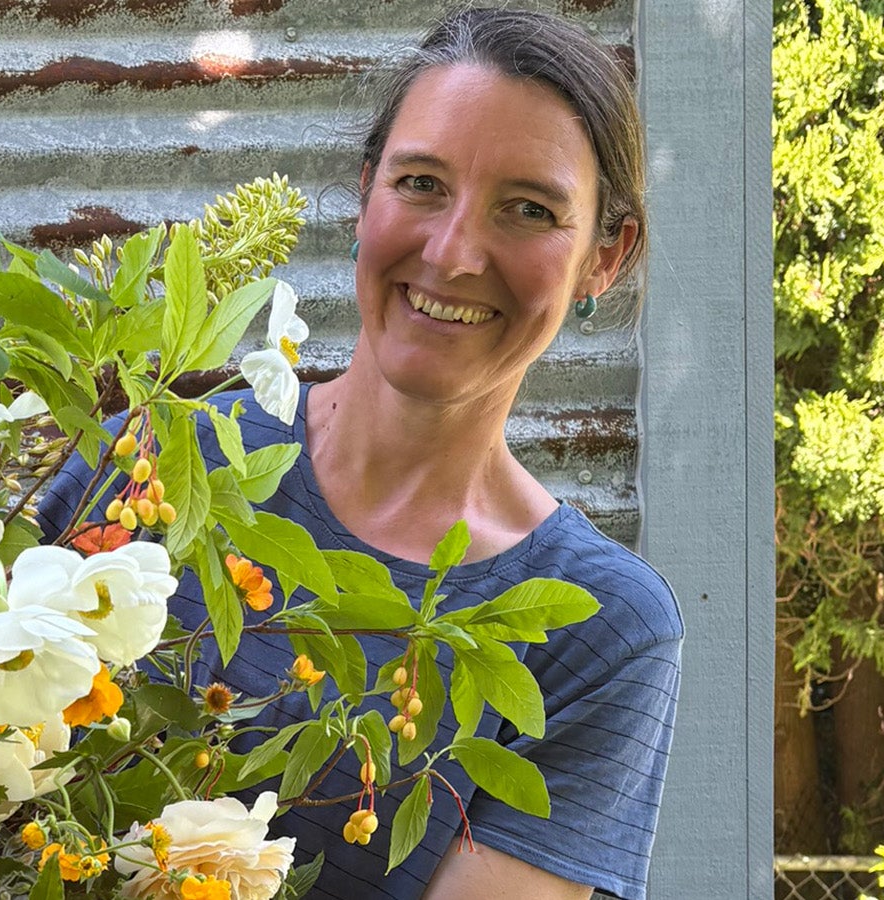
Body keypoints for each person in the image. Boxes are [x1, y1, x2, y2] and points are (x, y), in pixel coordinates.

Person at [37, 7, 683, 900]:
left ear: (606, 256)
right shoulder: (164, 456)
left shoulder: (597, 629)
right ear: (364, 193)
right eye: (421, 184)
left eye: (529, 209)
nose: (454, 253)